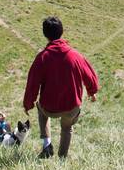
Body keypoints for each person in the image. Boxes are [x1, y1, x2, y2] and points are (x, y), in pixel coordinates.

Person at [23, 16, 99, 159]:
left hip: (49, 107)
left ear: (45, 34)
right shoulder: (75, 56)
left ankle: (47, 145)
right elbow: (89, 76)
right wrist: (92, 92)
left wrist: (28, 104)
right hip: (71, 107)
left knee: (41, 108)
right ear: (62, 31)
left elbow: (32, 85)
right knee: (67, 127)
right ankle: (62, 158)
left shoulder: (42, 58)